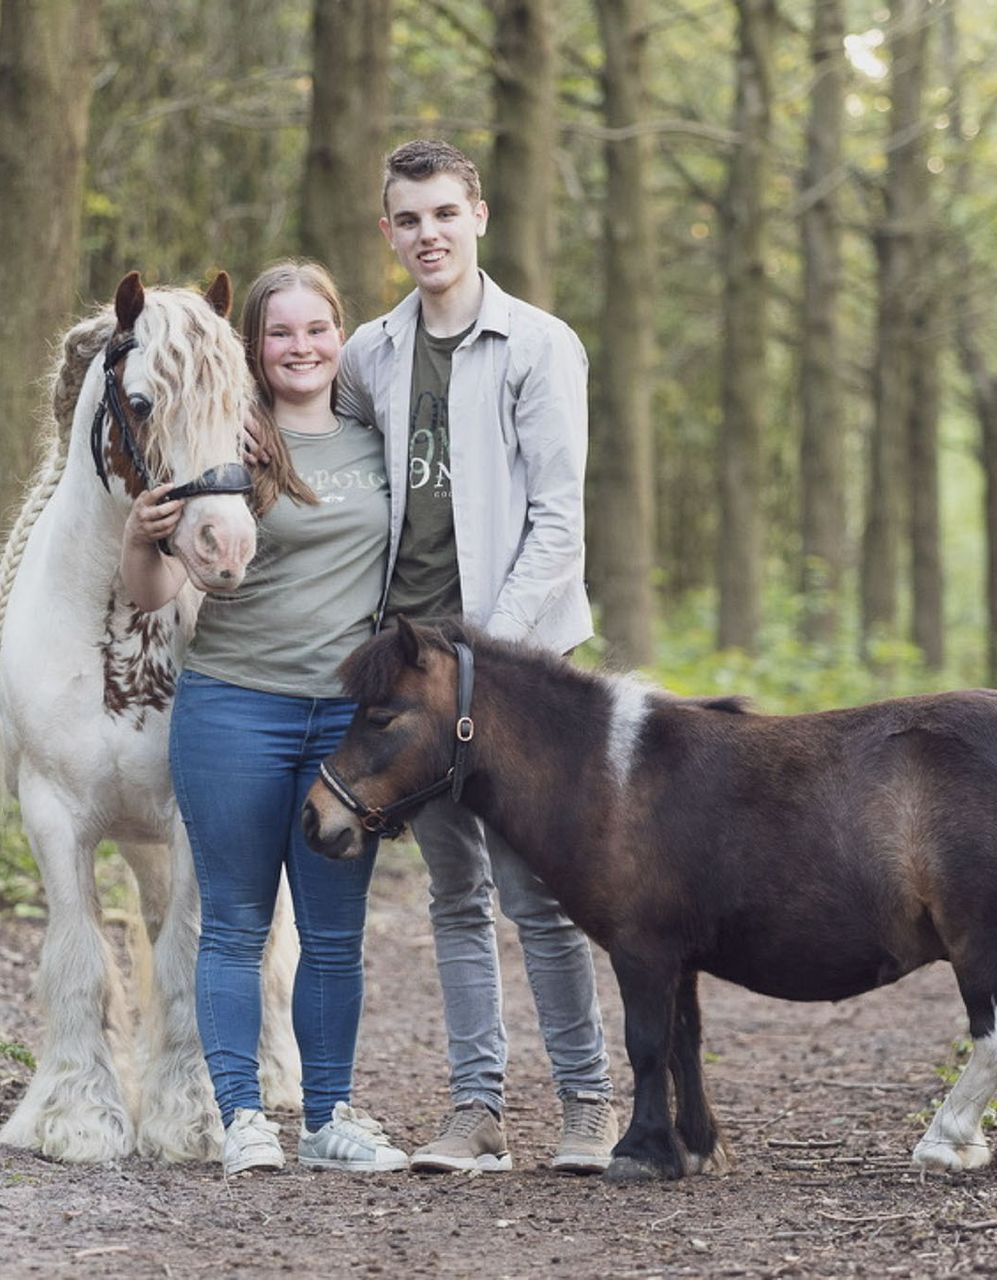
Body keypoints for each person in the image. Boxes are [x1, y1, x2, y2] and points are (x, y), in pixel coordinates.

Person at [333, 139, 617, 1175]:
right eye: (409, 219)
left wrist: (486, 664)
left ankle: (588, 1105)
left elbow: (558, 522)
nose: (429, 235)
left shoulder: (539, 346)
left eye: (445, 213)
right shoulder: (368, 354)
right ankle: (477, 1111)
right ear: (388, 231)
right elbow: (351, 485)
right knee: (454, 896)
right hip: (408, 680)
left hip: (515, 673)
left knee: (538, 895)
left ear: (479, 216)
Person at [123, 261, 407, 1176]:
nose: (300, 347)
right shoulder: (224, 442)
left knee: (333, 931)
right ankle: (242, 1115)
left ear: (340, 336)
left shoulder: (378, 444)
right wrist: (140, 536)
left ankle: (328, 1119)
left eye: (316, 329)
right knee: (235, 925)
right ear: (255, 346)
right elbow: (151, 592)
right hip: (234, 710)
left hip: (348, 729)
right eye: (280, 332)